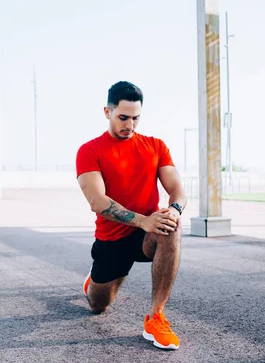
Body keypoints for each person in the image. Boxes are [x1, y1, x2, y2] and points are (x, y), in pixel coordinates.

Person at [75, 80, 187, 350]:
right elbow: (97, 201)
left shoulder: (155, 146)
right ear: (107, 112)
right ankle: (94, 281)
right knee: (98, 306)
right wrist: (143, 220)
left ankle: (156, 316)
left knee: (172, 226)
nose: (130, 125)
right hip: (111, 239)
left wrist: (174, 209)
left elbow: (177, 190)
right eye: (123, 117)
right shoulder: (90, 150)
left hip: (146, 234)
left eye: (136, 118)